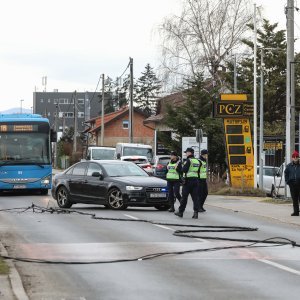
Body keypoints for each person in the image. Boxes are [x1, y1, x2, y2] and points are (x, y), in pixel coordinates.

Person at [175, 147, 200, 219]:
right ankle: (196, 213)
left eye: (186, 152)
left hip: (188, 181)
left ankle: (180, 212)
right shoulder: (197, 161)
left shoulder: (188, 161)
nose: (186, 154)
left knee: (184, 198)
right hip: (196, 180)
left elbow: (184, 170)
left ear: (189, 153)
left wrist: (178, 168)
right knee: (195, 198)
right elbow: (198, 171)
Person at [284, 150, 300, 216]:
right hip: (292, 185)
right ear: (292, 158)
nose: (295, 158)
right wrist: (288, 182)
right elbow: (286, 174)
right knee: (294, 199)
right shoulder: (289, 166)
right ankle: (296, 212)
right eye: (294, 156)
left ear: (298, 157)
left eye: (297, 156)